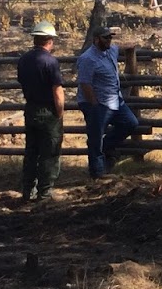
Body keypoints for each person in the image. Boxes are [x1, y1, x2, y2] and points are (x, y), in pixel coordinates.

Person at [76, 25, 139, 179]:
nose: (109, 40)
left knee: (130, 123)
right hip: (97, 103)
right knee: (95, 137)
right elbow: (85, 84)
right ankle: (97, 173)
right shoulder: (87, 59)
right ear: (96, 39)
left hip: (114, 99)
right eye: (106, 37)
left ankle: (107, 148)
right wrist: (94, 104)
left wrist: (131, 45)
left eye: (110, 37)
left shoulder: (110, 50)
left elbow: (121, 48)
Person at [17, 21, 65, 202]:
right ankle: (44, 192)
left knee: (31, 150)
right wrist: (59, 113)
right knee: (50, 151)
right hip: (48, 110)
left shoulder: (24, 60)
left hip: (31, 108)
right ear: (50, 40)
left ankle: (27, 189)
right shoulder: (50, 62)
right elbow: (57, 91)